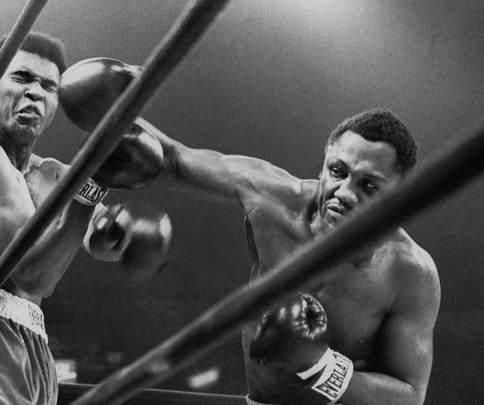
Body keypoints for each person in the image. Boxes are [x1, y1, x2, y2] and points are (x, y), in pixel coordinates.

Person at [0, 33, 170, 405]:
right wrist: (93, 184)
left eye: (49, 86)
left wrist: (122, 233)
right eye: (22, 78)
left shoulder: (52, 175)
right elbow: (32, 273)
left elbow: (95, 235)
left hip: (31, 345)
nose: (36, 93)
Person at [141, 108, 441, 405]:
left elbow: (410, 396)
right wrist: (105, 97)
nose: (345, 193)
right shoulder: (273, 200)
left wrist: (320, 367)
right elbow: (170, 159)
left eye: (369, 185)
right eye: (338, 171)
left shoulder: (410, 272)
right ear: (323, 169)